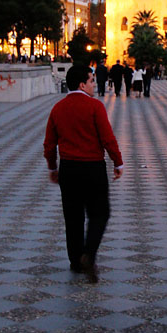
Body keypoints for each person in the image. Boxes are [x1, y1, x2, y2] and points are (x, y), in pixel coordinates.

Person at [43, 64, 123, 283]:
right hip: (93, 168)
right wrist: (118, 162)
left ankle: (76, 262)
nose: (93, 84)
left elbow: (49, 144)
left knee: (73, 216)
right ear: (81, 84)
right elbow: (107, 138)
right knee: (100, 213)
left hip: (68, 169)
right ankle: (89, 253)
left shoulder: (58, 108)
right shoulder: (94, 107)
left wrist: (52, 167)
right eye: (91, 80)